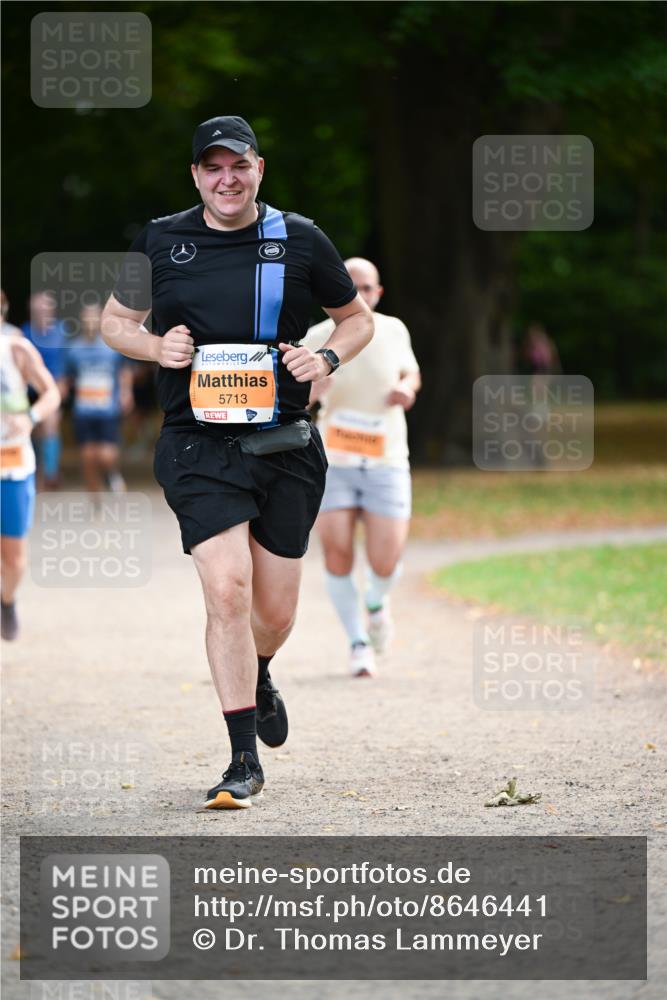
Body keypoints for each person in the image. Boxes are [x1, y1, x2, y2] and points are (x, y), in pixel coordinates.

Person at [101, 115, 373, 809]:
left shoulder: (299, 238)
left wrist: (328, 355)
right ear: (195, 175)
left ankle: (261, 669)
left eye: (239, 165)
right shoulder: (161, 238)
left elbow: (355, 317)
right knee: (227, 589)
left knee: (273, 612)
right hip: (196, 443)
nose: (227, 178)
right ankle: (241, 760)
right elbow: (113, 321)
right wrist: (153, 348)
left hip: (283, 444)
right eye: (212, 167)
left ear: (259, 169)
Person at [305, 258, 420, 677]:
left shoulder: (394, 329)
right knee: (336, 553)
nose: (361, 294)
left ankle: (375, 603)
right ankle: (357, 643)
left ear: (378, 293)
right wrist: (314, 390)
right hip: (334, 460)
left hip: (386, 459)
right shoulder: (315, 338)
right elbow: (296, 401)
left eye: (367, 288)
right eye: (351, 287)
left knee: (385, 560)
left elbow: (412, 372)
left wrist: (406, 389)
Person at [1, 291, 61, 640]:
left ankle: (6, 600)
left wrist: (30, 417)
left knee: (13, 559)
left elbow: (51, 392)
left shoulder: (16, 348)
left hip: (10, 464)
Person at [63, 303, 134, 495]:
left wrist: (126, 392)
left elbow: (124, 370)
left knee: (105, 455)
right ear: (82, 320)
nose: (91, 321)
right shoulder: (74, 349)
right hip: (83, 411)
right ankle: (95, 500)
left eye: (95, 317)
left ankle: (111, 473)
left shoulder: (111, 347)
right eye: (87, 317)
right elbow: (67, 377)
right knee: (87, 457)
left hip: (107, 410)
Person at [21, 292, 67, 490]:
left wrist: (61, 389)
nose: (42, 311)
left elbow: (67, 366)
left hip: (53, 388)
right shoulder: (24, 332)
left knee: (49, 427)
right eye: (37, 308)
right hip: (27, 390)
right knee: (32, 430)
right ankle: (36, 471)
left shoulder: (62, 332)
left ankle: (49, 473)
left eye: (45, 307)